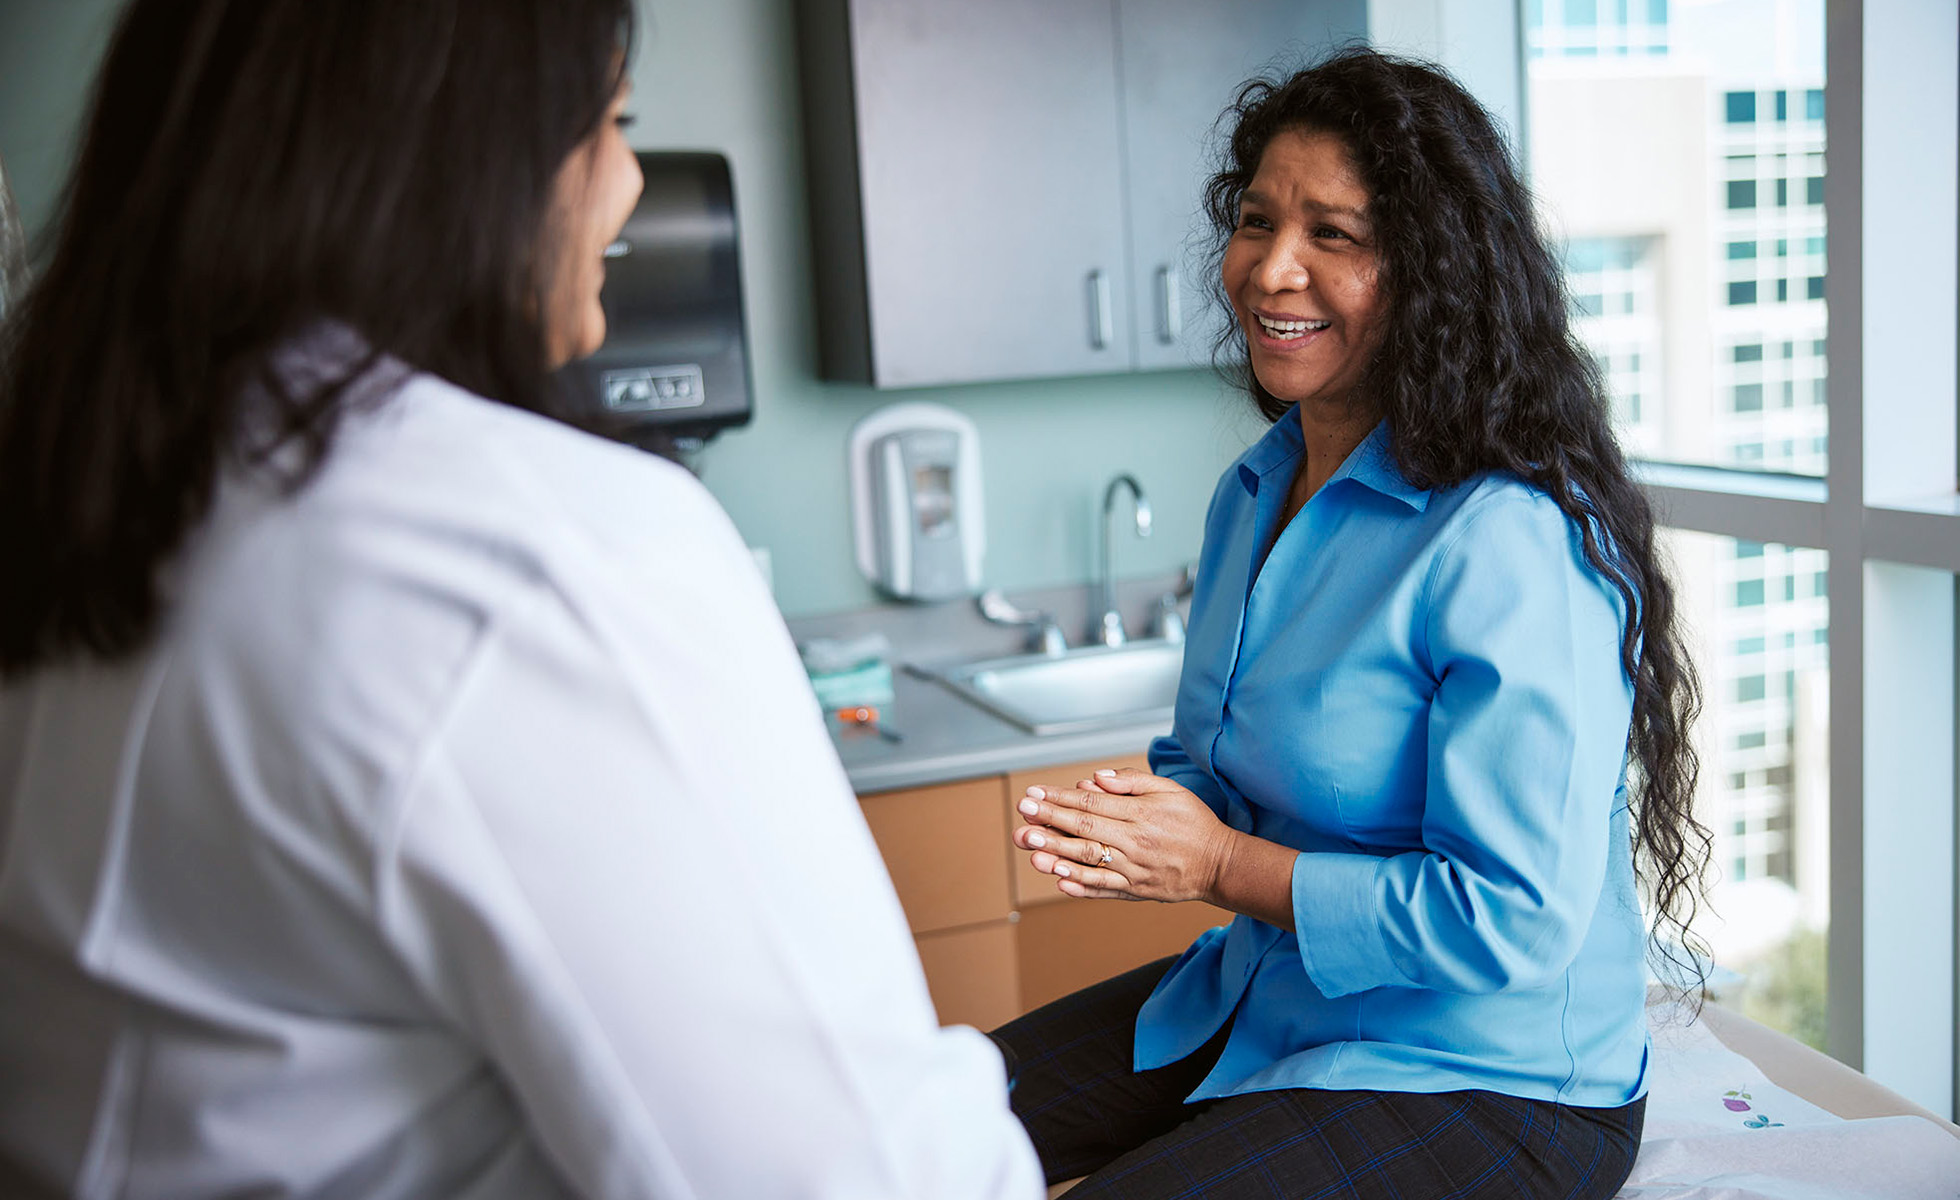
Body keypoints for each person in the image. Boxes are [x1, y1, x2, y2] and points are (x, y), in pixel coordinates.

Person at [0, 2, 1041, 1197]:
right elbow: (860, 1177)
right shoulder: (540, 554)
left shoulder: (80, 509)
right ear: (467, 157)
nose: (630, 184)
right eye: (611, 124)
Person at [996, 48, 1709, 1200]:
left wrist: (1219, 861)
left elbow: (1509, 921)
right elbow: (1224, 767)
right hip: (1270, 997)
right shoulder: (1254, 493)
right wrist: (1147, 825)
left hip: (1493, 1082)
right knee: (916, 1120)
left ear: (1430, 274)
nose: (1272, 270)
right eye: (1256, 220)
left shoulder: (1510, 538)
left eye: (1335, 235)